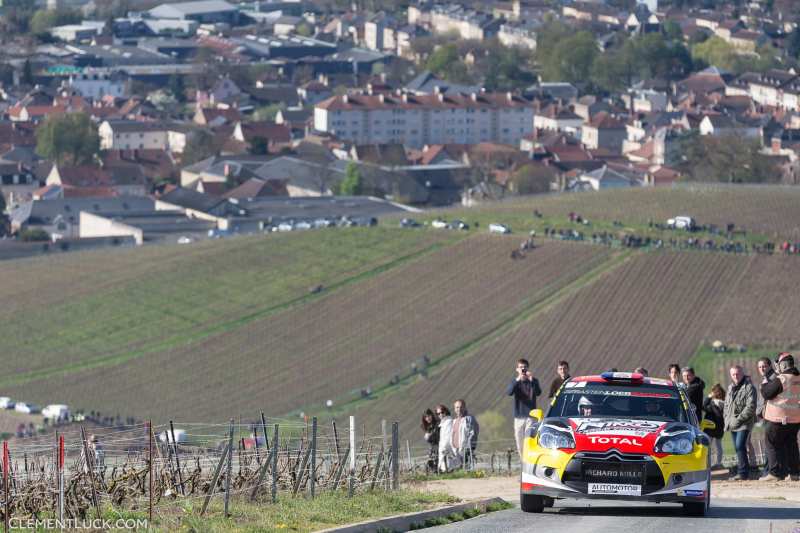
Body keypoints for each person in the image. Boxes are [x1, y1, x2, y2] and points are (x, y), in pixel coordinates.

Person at [760, 353, 800, 481]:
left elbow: (767, 393)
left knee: (771, 443)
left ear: (783, 364)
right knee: (791, 445)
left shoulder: (782, 378)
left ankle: (774, 473)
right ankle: (794, 473)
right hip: (795, 419)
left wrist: (766, 382)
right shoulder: (798, 378)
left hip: (778, 418)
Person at [724, 365, 757, 480]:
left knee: (740, 445)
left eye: (737, 374)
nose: (736, 376)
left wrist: (738, 420)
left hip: (744, 423)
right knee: (738, 448)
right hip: (732, 423)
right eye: (733, 374)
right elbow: (726, 405)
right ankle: (744, 472)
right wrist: (726, 419)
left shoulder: (749, 387)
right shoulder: (730, 388)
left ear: (742, 373)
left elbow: (751, 406)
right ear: (731, 375)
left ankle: (743, 473)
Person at [507, 358, 541, 459]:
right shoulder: (515, 382)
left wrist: (531, 381)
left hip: (531, 417)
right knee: (519, 442)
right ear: (517, 369)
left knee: (529, 440)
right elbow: (509, 392)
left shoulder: (534, 381)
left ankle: (529, 460)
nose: (523, 369)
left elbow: (538, 392)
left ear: (528, 368)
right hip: (518, 417)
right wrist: (518, 379)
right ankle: (523, 462)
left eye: (525, 367)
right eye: (521, 367)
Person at [703, 384, 726, 470]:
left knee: (708, 446)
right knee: (719, 446)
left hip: (710, 427)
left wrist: (708, 397)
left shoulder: (713, 403)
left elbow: (704, 407)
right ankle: (719, 463)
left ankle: (707, 463)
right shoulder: (725, 403)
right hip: (720, 427)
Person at [451, 399, 479, 469]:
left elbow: (473, 433)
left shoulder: (469, 419)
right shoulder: (454, 421)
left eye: (461, 407)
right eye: (457, 407)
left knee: (466, 470)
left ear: (465, 407)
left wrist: (468, 448)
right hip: (455, 451)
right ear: (454, 409)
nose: (459, 409)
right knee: (457, 471)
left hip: (465, 450)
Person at [436, 405, 455, 473]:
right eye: (438, 413)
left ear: (446, 411)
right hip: (444, 449)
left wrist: (444, 449)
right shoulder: (443, 423)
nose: (440, 414)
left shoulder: (448, 421)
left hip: (447, 449)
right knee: (445, 469)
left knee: (449, 468)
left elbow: (448, 436)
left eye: (442, 412)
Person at [421, 409, 440, 473]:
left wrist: (430, 436)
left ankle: (438, 472)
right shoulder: (428, 427)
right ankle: (434, 472)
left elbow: (437, 436)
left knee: (437, 461)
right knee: (430, 461)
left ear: (432, 415)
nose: (427, 418)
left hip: (438, 445)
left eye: (429, 416)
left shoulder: (437, 423)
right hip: (432, 447)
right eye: (425, 417)